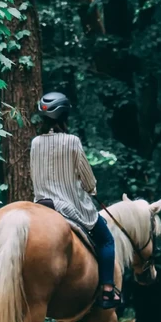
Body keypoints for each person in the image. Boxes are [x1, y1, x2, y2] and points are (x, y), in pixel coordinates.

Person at [31, 91, 120, 309]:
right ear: (64, 115)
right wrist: (92, 189)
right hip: (69, 208)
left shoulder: (35, 143)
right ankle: (108, 290)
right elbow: (88, 180)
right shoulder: (72, 141)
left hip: (41, 206)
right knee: (107, 239)